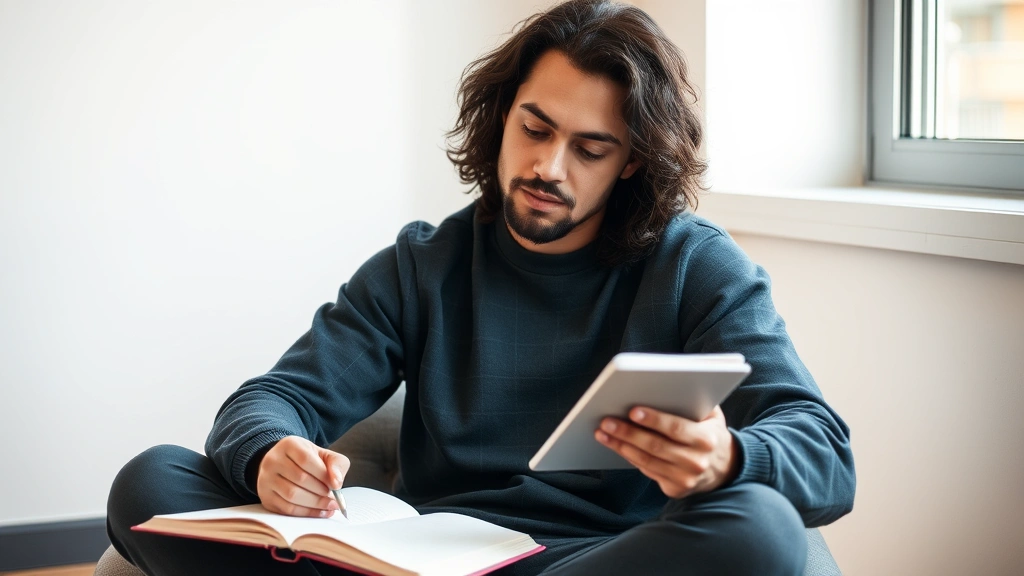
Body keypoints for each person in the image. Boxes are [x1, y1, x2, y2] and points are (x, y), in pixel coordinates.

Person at [106, 1, 855, 574]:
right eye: (535, 129)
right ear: (502, 118)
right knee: (150, 481)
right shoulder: (423, 265)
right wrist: (269, 452)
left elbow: (824, 454)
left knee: (761, 528)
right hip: (420, 556)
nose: (549, 168)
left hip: (593, 559)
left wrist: (728, 459)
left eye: (589, 149)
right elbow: (268, 398)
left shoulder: (692, 265)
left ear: (630, 162)